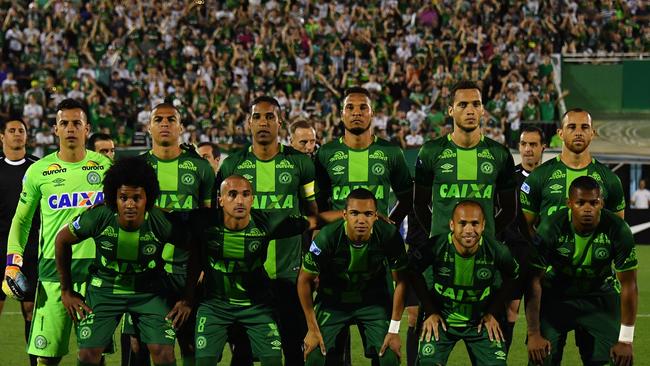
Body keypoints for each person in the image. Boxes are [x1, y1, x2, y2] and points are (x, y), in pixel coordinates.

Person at [54, 157, 195, 366]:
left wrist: (187, 299)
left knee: (164, 354)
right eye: (123, 197)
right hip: (105, 289)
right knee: (87, 356)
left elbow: (196, 250)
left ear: (148, 198)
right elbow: (62, 239)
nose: (130, 204)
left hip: (149, 291)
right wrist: (66, 291)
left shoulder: (161, 222)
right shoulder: (99, 217)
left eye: (137, 198)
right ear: (114, 197)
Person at [3, 99, 111, 365]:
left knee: (93, 356)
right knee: (46, 358)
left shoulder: (106, 168)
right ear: (55, 130)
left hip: (96, 273)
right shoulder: (38, 171)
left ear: (87, 129)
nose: (70, 128)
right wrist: (12, 261)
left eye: (77, 123)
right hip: (52, 273)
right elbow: (21, 220)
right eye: (64, 123)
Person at [192, 175, 342, 366]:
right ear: (220, 200)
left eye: (246, 194)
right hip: (215, 306)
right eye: (232, 194)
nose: (239, 200)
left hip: (257, 306)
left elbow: (314, 221)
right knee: (204, 362)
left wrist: (350, 212)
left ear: (252, 199)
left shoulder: (265, 222)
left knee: (272, 360)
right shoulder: (203, 222)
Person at [219, 96, 317, 366]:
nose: (263, 122)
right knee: (243, 353)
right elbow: (219, 223)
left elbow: (314, 217)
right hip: (245, 277)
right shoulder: (232, 166)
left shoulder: (300, 164)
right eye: (257, 117)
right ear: (249, 123)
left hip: (290, 276)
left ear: (279, 122)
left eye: (270, 116)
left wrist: (314, 262)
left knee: (294, 350)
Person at [526, 176, 638, 366]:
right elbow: (533, 281)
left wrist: (626, 340)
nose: (588, 209)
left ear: (601, 203)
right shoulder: (550, 227)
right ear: (569, 203)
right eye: (580, 203)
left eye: (593, 202)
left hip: (599, 297)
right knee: (541, 357)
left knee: (618, 359)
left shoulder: (618, 229)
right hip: (557, 295)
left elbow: (629, 284)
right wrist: (534, 334)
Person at [136, 102, 215, 365]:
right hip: (144, 271)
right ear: (149, 127)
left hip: (187, 271)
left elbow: (207, 224)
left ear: (181, 127)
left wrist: (203, 265)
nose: (165, 124)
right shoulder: (137, 168)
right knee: (140, 347)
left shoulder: (200, 168)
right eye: (158, 119)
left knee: (190, 344)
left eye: (172, 119)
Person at [298, 188, 407, 366]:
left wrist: (394, 330)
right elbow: (304, 279)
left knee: (388, 356)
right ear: (344, 214)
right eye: (354, 213)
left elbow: (402, 281)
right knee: (315, 354)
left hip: (373, 300)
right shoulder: (328, 237)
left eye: (368, 214)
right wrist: (311, 328)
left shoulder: (389, 235)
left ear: (376, 216)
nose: (361, 220)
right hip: (333, 300)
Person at [408, 200, 519, 365]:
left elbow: (512, 276)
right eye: (463, 223)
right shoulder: (436, 246)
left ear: (483, 225)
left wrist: (493, 311)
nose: (469, 230)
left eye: (475, 223)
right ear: (452, 225)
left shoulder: (497, 251)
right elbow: (413, 271)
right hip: (442, 322)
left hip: (479, 323)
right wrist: (430, 311)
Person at [414, 80, 516, 240]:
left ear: (482, 110)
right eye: (463, 105)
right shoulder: (430, 151)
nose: (470, 110)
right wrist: (439, 238)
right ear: (450, 111)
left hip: (484, 255)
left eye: (476, 104)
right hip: (443, 254)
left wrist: (486, 236)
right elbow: (420, 205)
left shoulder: (500, 153)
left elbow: (509, 209)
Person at [520, 108, 626, 239]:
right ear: (560, 133)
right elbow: (524, 228)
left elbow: (618, 230)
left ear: (592, 133)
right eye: (572, 127)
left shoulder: (611, 179)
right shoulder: (538, 176)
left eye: (584, 127)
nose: (578, 133)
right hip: (549, 259)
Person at [315, 87, 413, 224]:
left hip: (378, 243)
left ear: (372, 113)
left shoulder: (391, 152)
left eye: (363, 108)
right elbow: (319, 201)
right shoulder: (326, 153)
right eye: (350, 107)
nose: (356, 113)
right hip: (338, 242)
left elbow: (407, 198)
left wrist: (390, 227)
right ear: (342, 114)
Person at [500, 126, 546, 352]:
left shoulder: (551, 177)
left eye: (533, 144)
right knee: (510, 310)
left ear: (543, 148)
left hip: (545, 258)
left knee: (543, 314)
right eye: (524, 144)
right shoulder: (509, 180)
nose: (528, 149)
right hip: (516, 255)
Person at [0, 119, 40, 366]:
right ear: (1, 136)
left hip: (32, 248)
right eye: (12, 130)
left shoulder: (37, 168)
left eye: (21, 130)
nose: (17, 134)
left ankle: (35, 362)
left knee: (30, 310)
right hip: (0, 248)